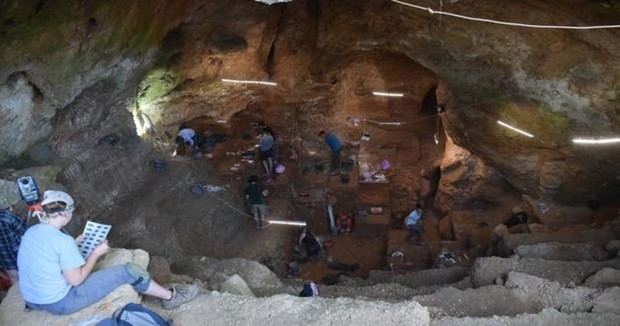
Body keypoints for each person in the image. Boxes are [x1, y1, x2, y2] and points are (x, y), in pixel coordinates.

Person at [17, 190, 198, 315]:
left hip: (32, 299)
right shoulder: (62, 241)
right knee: (127, 271)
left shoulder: (31, 232)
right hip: (59, 303)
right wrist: (96, 253)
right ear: (64, 214)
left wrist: (75, 242)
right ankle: (170, 297)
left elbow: (46, 252)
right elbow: (76, 280)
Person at [0, 206, 27, 284]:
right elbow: (23, 230)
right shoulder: (6, 216)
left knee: (14, 280)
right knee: (29, 275)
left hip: (5, 258)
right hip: (20, 252)